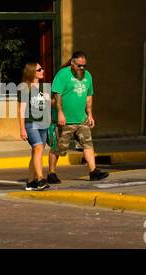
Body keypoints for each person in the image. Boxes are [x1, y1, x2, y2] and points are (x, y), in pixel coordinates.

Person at [46, 51, 108, 183]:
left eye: (84, 66)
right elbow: (57, 95)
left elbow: (89, 96)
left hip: (81, 119)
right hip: (65, 120)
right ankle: (51, 173)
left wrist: (90, 114)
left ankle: (93, 171)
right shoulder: (63, 74)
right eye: (79, 65)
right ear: (72, 62)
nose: (82, 68)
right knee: (58, 148)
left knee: (88, 144)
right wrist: (60, 113)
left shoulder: (88, 76)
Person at [18, 61, 51, 191]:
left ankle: (30, 182)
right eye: (39, 70)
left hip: (43, 123)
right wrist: (22, 128)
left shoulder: (44, 88)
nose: (42, 71)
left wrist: (49, 101)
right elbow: (21, 110)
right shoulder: (24, 88)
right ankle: (40, 179)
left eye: (42, 69)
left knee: (36, 152)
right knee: (38, 148)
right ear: (32, 72)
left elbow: (47, 108)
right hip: (31, 123)